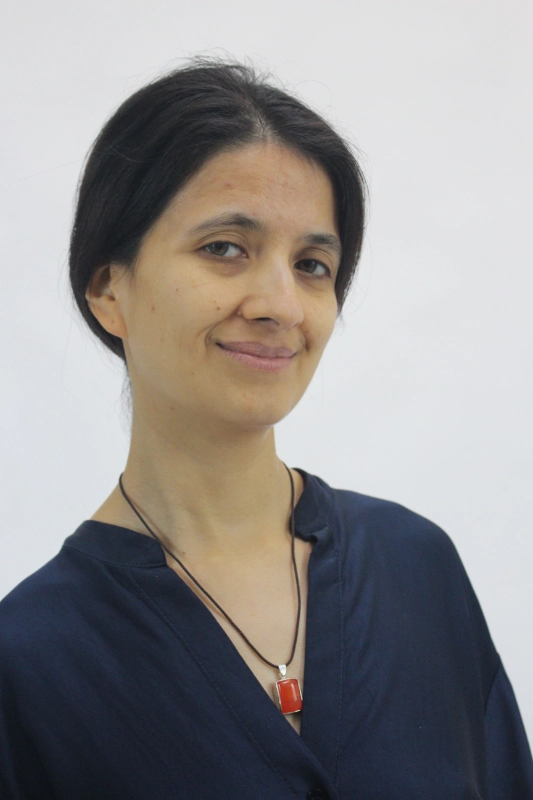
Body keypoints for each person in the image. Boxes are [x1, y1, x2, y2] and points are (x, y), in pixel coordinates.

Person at [0, 58, 531, 800]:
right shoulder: (30, 661)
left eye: (312, 264)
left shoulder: (416, 569)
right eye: (225, 248)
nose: (280, 304)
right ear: (107, 287)